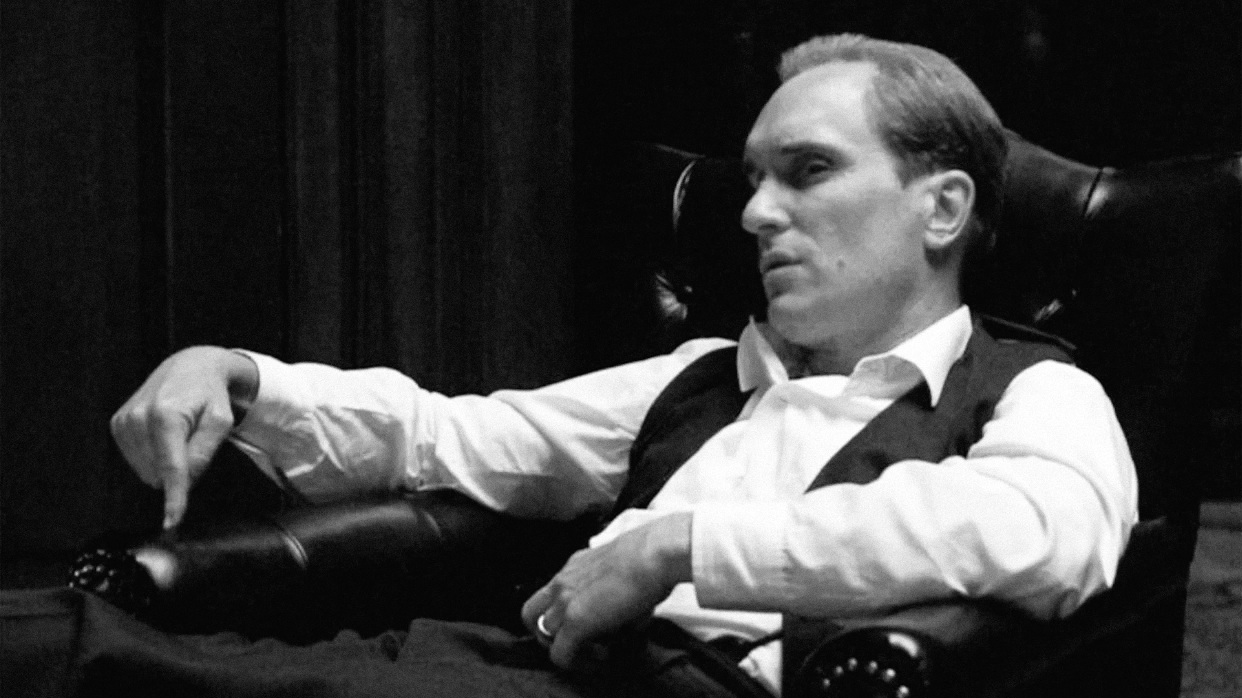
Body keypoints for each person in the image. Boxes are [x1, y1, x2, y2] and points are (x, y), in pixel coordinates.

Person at [9, 34, 1137, 698]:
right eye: (753, 179)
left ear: (942, 208)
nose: (755, 212)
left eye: (808, 172)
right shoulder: (705, 376)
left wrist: (680, 547)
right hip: (499, 664)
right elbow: (451, 434)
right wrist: (240, 373)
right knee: (79, 651)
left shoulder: (1034, 390)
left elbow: (1044, 532)